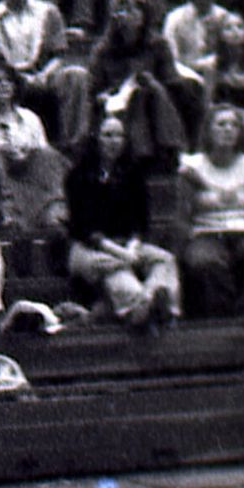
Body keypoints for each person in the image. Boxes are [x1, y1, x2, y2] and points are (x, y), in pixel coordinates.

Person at [64, 117, 183, 330]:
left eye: (119, 135)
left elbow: (140, 221)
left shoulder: (133, 174)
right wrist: (120, 253)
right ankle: (138, 307)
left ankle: (158, 301)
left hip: (127, 245)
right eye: (107, 135)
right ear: (96, 139)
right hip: (89, 249)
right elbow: (82, 227)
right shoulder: (78, 176)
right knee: (115, 267)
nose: (113, 141)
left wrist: (133, 247)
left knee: (164, 260)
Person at [175, 101, 244, 319]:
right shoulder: (192, 168)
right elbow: (183, 216)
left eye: (233, 125)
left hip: (242, 233)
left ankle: (243, 311)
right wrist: (183, 249)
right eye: (221, 124)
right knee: (206, 262)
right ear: (208, 130)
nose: (228, 129)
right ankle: (221, 320)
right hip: (206, 233)